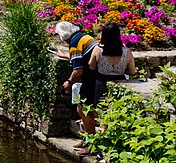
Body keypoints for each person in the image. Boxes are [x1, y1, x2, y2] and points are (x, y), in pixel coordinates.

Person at [56, 21, 98, 154]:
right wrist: (66, 55)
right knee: (84, 110)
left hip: (92, 79)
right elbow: (81, 57)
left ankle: (91, 144)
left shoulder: (74, 44)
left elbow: (78, 71)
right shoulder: (82, 37)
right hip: (98, 76)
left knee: (83, 110)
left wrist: (68, 81)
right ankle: (87, 140)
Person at [88, 23, 137, 103]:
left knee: (101, 109)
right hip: (120, 84)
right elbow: (132, 71)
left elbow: (92, 66)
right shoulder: (126, 52)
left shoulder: (98, 50)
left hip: (102, 83)